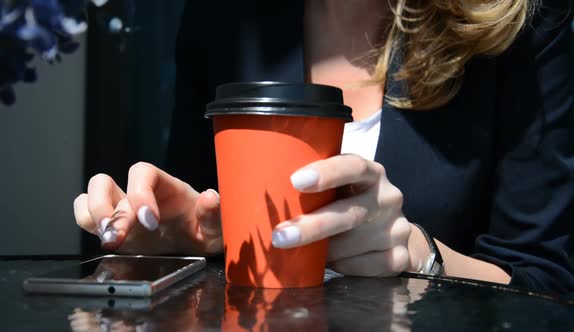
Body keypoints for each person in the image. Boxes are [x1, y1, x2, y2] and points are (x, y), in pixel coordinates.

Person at [73, 0, 574, 294]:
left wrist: (420, 255)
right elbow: (218, 233)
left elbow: (546, 282)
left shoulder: (526, 22)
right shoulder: (222, 16)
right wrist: (182, 240)